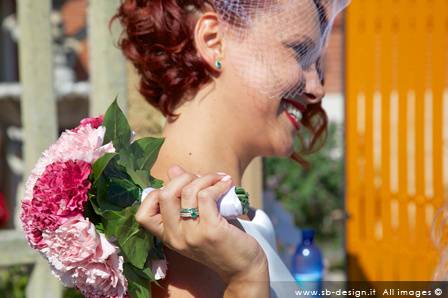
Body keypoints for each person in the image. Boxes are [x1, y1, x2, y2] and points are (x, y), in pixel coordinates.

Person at [113, 0, 349, 296]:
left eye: (316, 63)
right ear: (213, 42)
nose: (317, 89)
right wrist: (246, 279)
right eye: (300, 52)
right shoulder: (174, 229)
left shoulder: (236, 217)